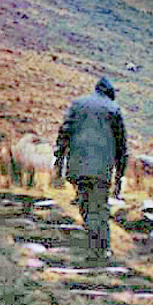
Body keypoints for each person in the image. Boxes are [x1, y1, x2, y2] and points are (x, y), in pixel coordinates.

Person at [54, 76, 128, 263]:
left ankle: (93, 246)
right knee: (99, 209)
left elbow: (64, 132)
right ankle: (100, 250)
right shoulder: (113, 109)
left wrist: (59, 160)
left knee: (86, 205)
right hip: (101, 170)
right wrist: (119, 176)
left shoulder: (77, 104)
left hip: (77, 167)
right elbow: (121, 146)